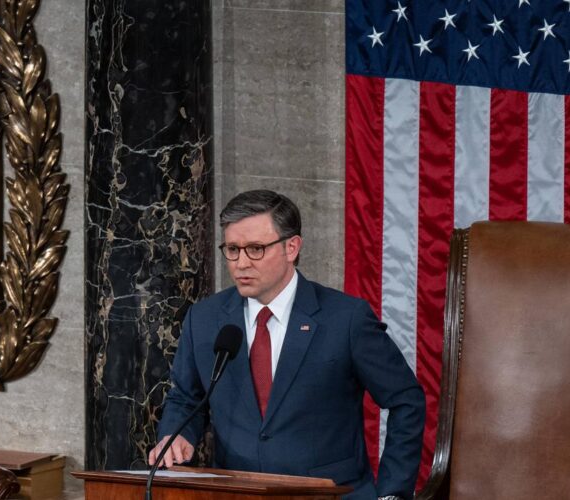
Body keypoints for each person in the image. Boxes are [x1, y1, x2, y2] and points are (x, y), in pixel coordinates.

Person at [149, 189, 425, 499]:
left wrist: (392, 493)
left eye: (255, 249)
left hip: (329, 494)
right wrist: (176, 434)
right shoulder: (204, 319)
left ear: (291, 247)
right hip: (236, 493)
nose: (241, 263)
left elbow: (406, 400)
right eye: (232, 249)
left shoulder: (346, 319)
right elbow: (186, 398)